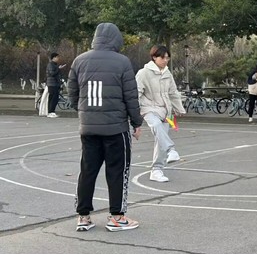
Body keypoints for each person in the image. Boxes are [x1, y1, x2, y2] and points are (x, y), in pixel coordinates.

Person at [68, 23, 143, 232]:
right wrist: (136, 122)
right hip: (115, 128)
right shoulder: (122, 62)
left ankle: (83, 216)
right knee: (117, 171)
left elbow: (72, 93)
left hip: (88, 127)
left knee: (87, 170)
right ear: (116, 40)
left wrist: (85, 112)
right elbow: (130, 96)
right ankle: (117, 216)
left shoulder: (79, 60)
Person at [136, 45, 186, 183]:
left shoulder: (167, 74)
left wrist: (179, 108)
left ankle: (157, 170)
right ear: (154, 57)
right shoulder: (143, 73)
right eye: (162, 57)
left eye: (167, 58)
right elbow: (136, 93)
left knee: (160, 139)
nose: (165, 60)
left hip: (166, 111)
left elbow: (173, 93)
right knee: (156, 126)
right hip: (148, 109)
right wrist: (134, 112)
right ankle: (171, 150)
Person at [46, 52, 66, 118]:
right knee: (53, 98)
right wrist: (58, 69)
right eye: (57, 57)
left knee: (55, 98)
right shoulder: (50, 65)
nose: (58, 58)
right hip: (52, 84)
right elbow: (52, 73)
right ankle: (50, 112)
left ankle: (52, 111)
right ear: (53, 58)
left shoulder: (54, 65)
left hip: (55, 83)